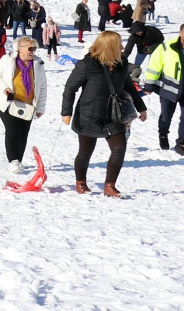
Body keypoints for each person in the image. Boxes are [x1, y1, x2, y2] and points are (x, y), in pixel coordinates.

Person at [60, 30, 148, 196]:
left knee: (120, 147)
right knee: (85, 151)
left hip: (114, 115)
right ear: (110, 47)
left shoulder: (121, 64)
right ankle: (81, 182)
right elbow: (70, 88)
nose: (122, 48)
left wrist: (141, 107)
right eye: (119, 44)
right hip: (88, 114)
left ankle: (110, 185)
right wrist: (66, 111)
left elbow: (129, 87)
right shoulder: (87, 64)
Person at [142, 24, 184, 154]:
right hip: (169, 90)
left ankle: (181, 144)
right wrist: (149, 84)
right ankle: (163, 134)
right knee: (166, 117)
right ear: (181, 34)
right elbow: (155, 65)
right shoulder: (167, 47)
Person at [0, 36, 47, 174]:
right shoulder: (8, 60)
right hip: (8, 104)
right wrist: (5, 88)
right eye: (30, 48)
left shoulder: (38, 64)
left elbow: (43, 86)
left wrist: (40, 107)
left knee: (23, 133)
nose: (33, 51)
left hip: (28, 105)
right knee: (12, 130)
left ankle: (19, 160)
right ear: (19, 48)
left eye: (34, 48)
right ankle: (13, 161)